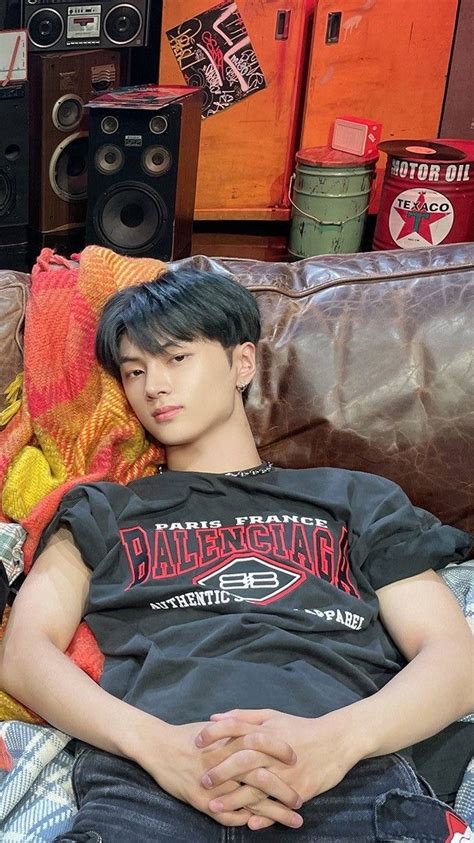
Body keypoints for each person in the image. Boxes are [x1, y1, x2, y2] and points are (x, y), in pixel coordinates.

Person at [0, 268, 472, 843]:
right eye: (134, 371)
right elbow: (24, 652)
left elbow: (453, 658)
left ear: (242, 363)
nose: (154, 386)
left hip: (345, 777)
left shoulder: (354, 498)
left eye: (176, 358)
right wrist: (158, 748)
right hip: (151, 781)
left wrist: (339, 741)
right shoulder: (102, 508)